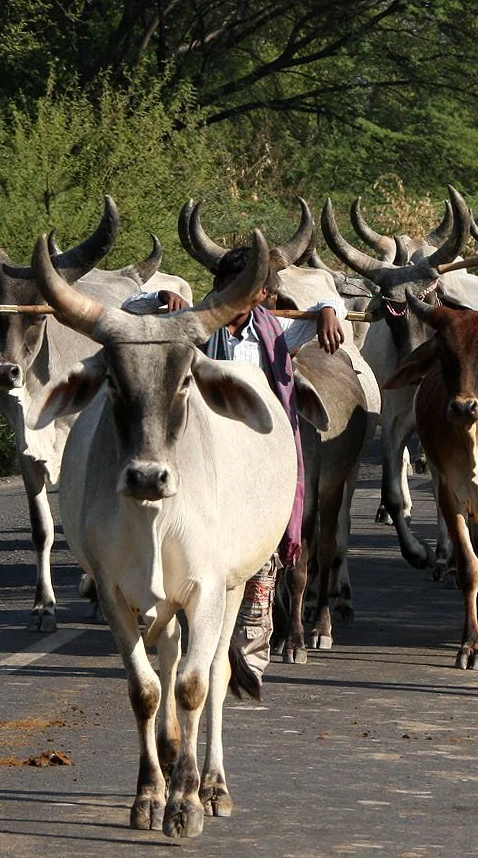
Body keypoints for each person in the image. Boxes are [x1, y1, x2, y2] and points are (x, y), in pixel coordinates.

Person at [143, 249, 348, 685]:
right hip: (206, 453)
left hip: (260, 459)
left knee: (260, 558)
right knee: (203, 552)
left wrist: (330, 309)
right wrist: (161, 298)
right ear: (221, 289)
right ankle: (203, 645)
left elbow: (328, 305)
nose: (260, 297)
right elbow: (129, 308)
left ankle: (252, 654)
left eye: (261, 291)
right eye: (251, 290)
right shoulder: (194, 324)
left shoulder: (276, 331)